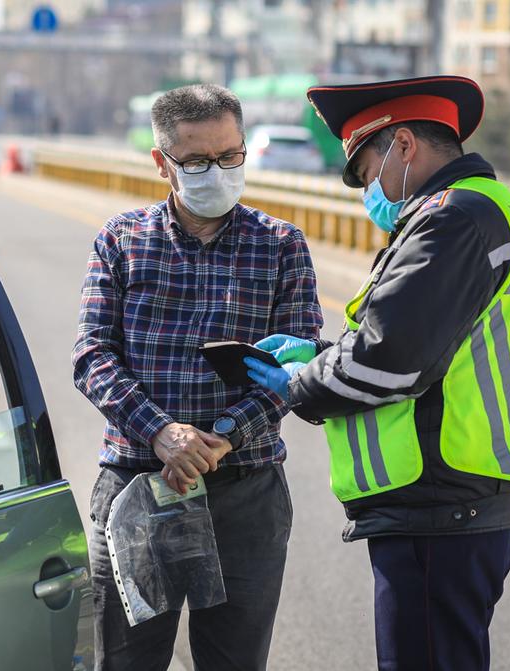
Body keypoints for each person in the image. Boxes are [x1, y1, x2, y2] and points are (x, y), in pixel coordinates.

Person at [245, 75, 510, 671]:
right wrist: (319, 352)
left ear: (403, 146)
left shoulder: (452, 219)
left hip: (439, 505)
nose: (370, 194)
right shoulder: (480, 211)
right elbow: (417, 344)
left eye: (366, 174)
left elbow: (389, 359)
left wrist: (301, 383)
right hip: (450, 502)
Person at [72, 83, 323, 670]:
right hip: (138, 484)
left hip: (245, 493)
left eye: (231, 156)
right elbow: (92, 355)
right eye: (199, 162)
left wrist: (221, 437)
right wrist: (163, 434)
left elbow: (295, 365)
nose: (220, 172)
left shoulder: (281, 247)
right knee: (126, 661)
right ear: (162, 163)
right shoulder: (121, 241)